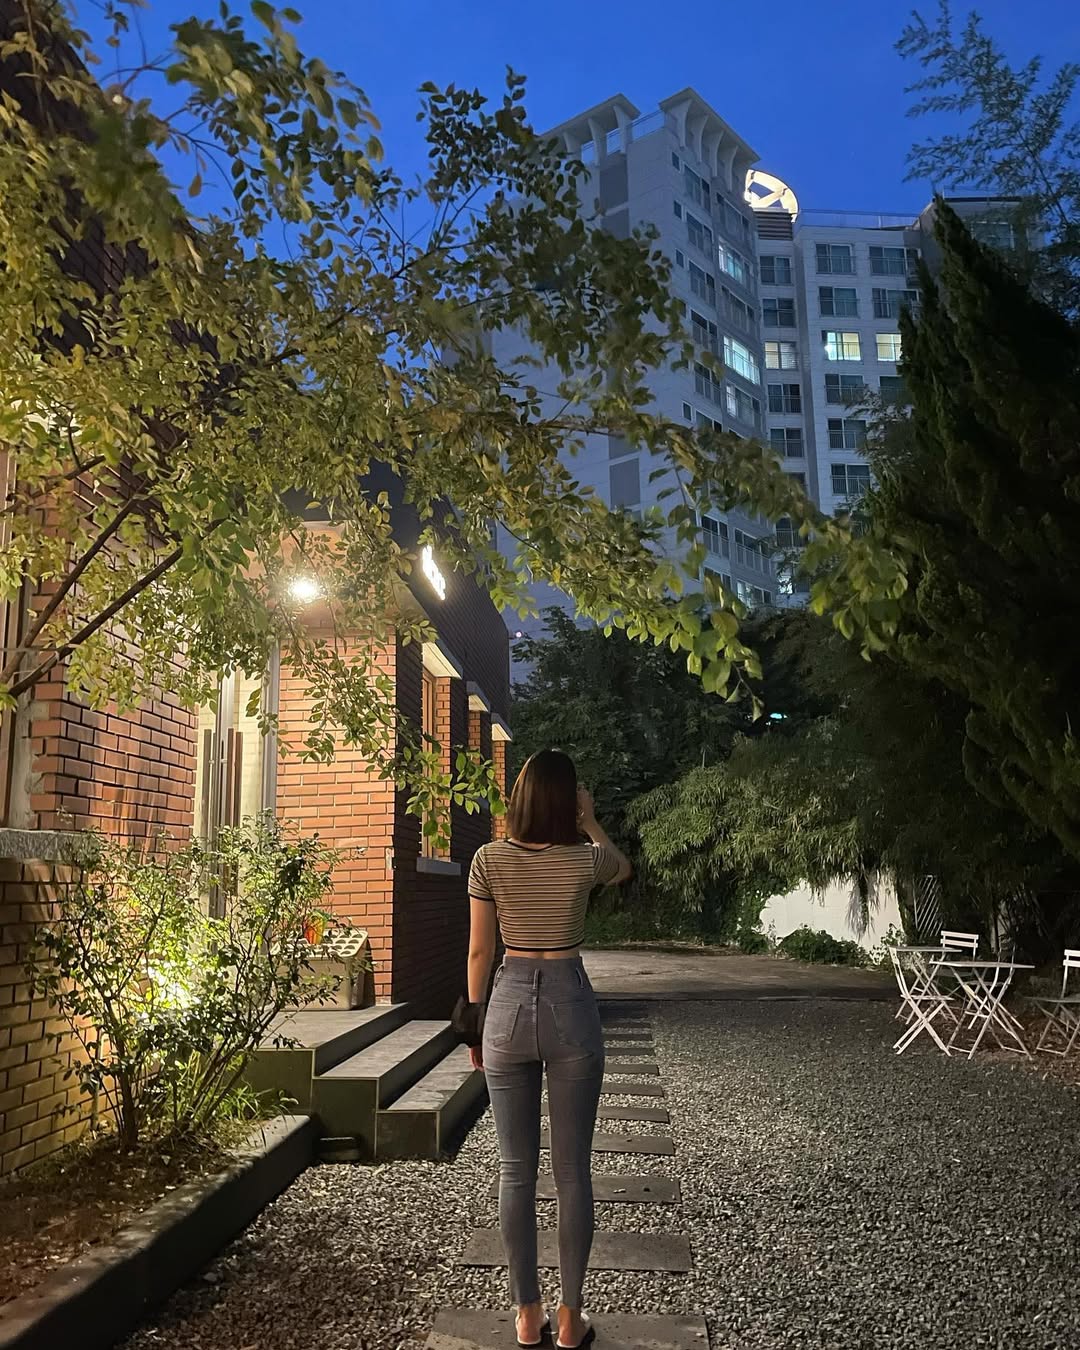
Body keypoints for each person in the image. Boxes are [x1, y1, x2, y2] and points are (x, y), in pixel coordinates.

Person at [465, 749, 633, 1350]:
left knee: (515, 1169)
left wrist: (474, 1026)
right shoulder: (584, 859)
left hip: (507, 1004)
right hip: (569, 1004)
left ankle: (525, 1313)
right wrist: (591, 820)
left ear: (519, 797)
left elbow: (480, 952)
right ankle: (569, 1319)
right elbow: (622, 868)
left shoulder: (488, 860)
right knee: (572, 1171)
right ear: (569, 799)